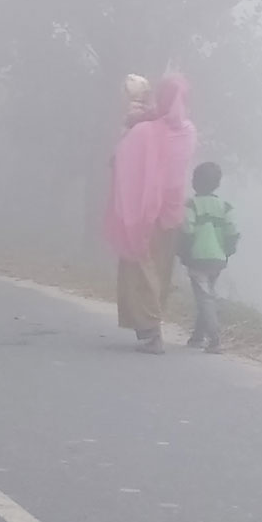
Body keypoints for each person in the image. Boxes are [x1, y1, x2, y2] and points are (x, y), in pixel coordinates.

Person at [104, 73, 198, 354]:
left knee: (140, 267)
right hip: (172, 214)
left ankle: (151, 331)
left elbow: (120, 159)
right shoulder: (189, 132)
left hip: (144, 213)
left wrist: (133, 121)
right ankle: (152, 328)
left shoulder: (145, 131)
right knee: (160, 269)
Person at [180, 162, 240, 354]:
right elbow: (233, 232)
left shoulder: (191, 205)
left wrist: (184, 253)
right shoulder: (225, 207)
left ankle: (215, 339)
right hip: (218, 259)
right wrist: (227, 252)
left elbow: (187, 230)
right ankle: (198, 336)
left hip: (198, 257)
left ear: (195, 182)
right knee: (206, 295)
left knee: (205, 298)